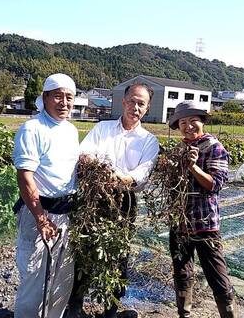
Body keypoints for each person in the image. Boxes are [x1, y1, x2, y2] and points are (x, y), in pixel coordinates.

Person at [65, 83, 160, 318]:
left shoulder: (149, 141)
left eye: (141, 104)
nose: (135, 107)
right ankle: (75, 305)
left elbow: (141, 175)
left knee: (118, 255)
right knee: (85, 250)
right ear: (123, 102)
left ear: (147, 109)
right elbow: (84, 153)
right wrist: (99, 169)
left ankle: (111, 308)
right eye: (132, 101)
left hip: (124, 202)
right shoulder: (102, 128)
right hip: (94, 198)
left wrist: (118, 178)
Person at [13, 73, 79, 318]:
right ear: (45, 97)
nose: (64, 102)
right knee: (35, 277)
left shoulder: (71, 131)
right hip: (40, 211)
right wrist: (41, 219)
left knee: (62, 277)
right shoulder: (33, 128)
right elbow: (25, 177)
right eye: (58, 96)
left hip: (66, 212)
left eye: (69, 97)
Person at [168, 100, 237, 318]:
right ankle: (184, 314)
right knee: (182, 274)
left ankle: (228, 314)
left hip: (205, 224)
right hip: (180, 223)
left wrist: (193, 167)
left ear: (202, 121)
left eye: (193, 121)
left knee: (218, 276)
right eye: (183, 122)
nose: (188, 126)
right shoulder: (180, 148)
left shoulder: (214, 147)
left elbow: (214, 184)